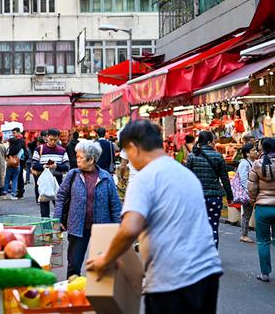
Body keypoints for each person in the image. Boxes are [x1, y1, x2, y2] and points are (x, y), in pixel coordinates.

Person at [87, 120, 223, 314]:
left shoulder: (144, 178)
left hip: (173, 282)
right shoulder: (184, 173)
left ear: (133, 147)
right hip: (207, 275)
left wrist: (105, 259)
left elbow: (129, 229)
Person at [54, 141, 121, 278]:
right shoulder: (73, 175)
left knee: (102, 265)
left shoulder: (106, 177)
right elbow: (60, 197)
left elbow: (114, 204)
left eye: (80, 157)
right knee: (74, 264)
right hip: (77, 227)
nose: (76, 159)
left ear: (91, 160)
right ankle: (72, 292)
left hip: (101, 227)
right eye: (76, 156)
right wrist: (56, 220)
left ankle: (99, 295)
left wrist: (118, 227)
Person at [187, 131, 233, 248]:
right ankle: (212, 256)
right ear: (209, 142)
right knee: (213, 226)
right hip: (214, 197)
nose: (214, 143)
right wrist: (229, 196)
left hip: (196, 197)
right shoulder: (218, 156)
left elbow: (187, 178)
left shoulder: (192, 156)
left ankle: (199, 256)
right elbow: (225, 179)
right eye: (213, 141)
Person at [248, 137, 275, 282]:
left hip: (262, 208)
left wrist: (254, 202)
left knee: (263, 241)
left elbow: (252, 188)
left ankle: (265, 274)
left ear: (263, 149)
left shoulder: (257, 165)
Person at [32, 128, 70, 217]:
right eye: (51, 139)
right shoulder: (39, 149)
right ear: (47, 137)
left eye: (55, 140)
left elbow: (67, 167)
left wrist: (57, 166)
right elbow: (34, 164)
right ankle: (46, 229)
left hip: (57, 182)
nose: (53, 142)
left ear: (58, 139)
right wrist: (43, 166)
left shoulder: (62, 151)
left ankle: (58, 227)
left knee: (59, 207)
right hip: (44, 181)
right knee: (44, 209)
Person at [237, 142, 258, 243]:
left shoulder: (253, 162)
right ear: (247, 153)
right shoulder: (244, 163)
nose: (255, 151)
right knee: (246, 214)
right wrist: (249, 192)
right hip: (248, 193)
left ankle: (244, 234)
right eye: (253, 150)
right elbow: (244, 180)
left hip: (253, 192)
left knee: (248, 213)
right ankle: (244, 235)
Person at [3, 134, 24, 200]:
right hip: (17, 165)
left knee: (7, 180)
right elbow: (21, 157)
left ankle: (5, 194)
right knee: (15, 180)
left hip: (9, 165)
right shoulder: (20, 149)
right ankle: (13, 195)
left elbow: (6, 155)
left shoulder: (9, 149)